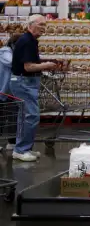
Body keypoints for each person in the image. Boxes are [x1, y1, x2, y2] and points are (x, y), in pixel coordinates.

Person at [9, 15, 60, 162]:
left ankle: (22, 148)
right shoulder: (27, 41)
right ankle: (21, 150)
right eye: (41, 25)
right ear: (31, 25)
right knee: (31, 116)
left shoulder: (29, 40)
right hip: (24, 82)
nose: (43, 28)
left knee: (24, 116)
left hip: (23, 81)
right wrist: (48, 65)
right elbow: (28, 66)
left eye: (45, 25)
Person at [0, 34, 21, 151]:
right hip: (2, 89)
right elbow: (11, 62)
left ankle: (12, 142)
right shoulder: (4, 51)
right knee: (2, 117)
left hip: (11, 91)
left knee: (13, 116)